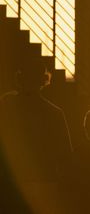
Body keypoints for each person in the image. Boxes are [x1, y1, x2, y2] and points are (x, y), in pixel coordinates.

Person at [0, 58, 72, 213]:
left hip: (12, 182)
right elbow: (66, 154)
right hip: (46, 182)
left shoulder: (6, 107)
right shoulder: (55, 113)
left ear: (19, 78)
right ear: (43, 80)